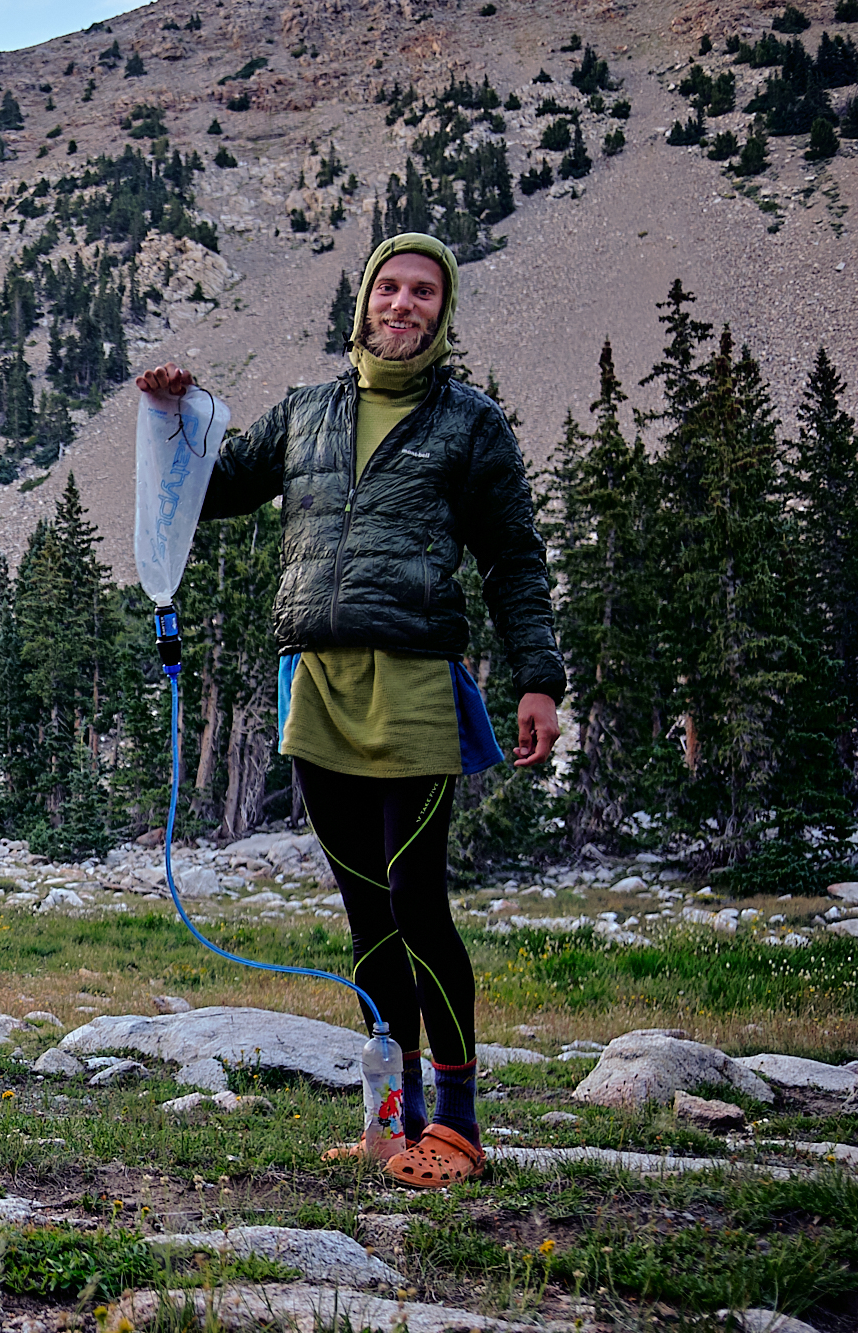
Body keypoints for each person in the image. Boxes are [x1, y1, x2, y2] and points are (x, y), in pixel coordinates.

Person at [136, 232, 563, 1189]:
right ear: (363, 301)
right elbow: (213, 489)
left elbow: (513, 556)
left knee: (418, 902)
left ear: (440, 313)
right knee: (366, 912)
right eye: (389, 287)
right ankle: (387, 1119)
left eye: (422, 292)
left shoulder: (470, 424)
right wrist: (175, 412)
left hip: (414, 684)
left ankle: (453, 1127)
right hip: (314, 683)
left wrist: (539, 676)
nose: (402, 304)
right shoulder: (309, 411)